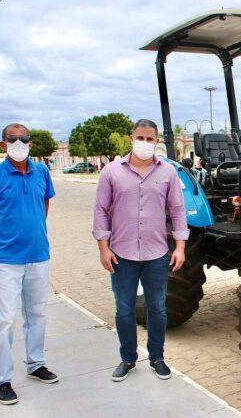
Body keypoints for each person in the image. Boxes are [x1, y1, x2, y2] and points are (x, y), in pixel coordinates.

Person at [92, 119, 188, 381]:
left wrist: (179, 247)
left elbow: (178, 210)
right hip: (121, 254)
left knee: (157, 307)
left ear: (156, 142)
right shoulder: (111, 172)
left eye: (150, 139)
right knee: (124, 309)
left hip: (157, 254)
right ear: (130, 138)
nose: (145, 143)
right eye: (140, 138)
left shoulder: (167, 172)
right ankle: (127, 358)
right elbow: (100, 210)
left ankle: (157, 357)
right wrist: (103, 247)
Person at [0, 123, 58, 405]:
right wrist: (0, 244)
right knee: (5, 320)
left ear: (31, 143)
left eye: (24, 138)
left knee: (37, 314)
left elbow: (44, 205)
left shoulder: (42, 172)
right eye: (13, 138)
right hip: (7, 261)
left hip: (39, 256)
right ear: (3, 144)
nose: (19, 143)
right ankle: (1, 379)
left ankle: (35, 364)